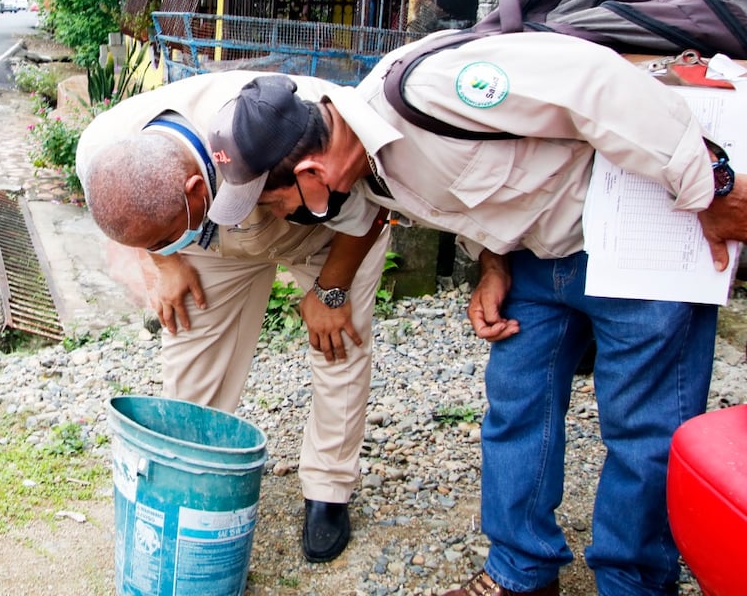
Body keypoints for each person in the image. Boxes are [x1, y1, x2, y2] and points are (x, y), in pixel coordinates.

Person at [205, 36, 747, 596]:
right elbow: (475, 196)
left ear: (312, 172)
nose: (281, 215)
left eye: (274, 202)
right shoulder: (364, 173)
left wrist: (713, 186)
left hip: (642, 238)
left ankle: (633, 584)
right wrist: (492, 265)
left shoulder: (432, 90)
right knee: (515, 410)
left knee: (643, 429)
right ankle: (521, 573)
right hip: (536, 262)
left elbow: (595, 82)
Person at [76, 69, 391, 563]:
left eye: (163, 237)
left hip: (323, 227)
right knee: (191, 344)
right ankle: (193, 473)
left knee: (336, 341)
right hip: (213, 240)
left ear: (196, 187)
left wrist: (330, 291)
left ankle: (328, 488)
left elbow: (370, 209)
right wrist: (166, 260)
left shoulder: (290, 134)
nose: (158, 246)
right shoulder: (104, 146)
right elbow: (140, 224)